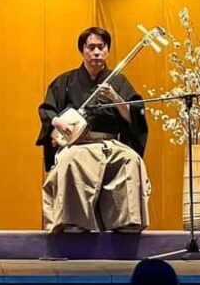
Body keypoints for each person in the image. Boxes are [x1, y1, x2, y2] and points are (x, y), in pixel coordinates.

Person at [37, 26, 152, 233]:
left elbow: (134, 116)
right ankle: (72, 221)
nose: (96, 52)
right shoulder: (65, 81)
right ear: (82, 50)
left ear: (107, 50)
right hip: (78, 143)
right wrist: (58, 122)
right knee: (69, 160)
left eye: (101, 47)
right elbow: (47, 110)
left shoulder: (118, 81)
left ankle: (126, 221)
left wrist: (116, 98)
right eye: (91, 47)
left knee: (130, 159)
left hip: (109, 143)